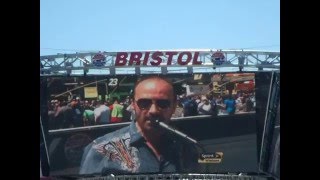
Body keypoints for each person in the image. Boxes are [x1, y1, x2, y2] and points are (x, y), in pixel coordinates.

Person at [79, 76, 199, 175]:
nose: (153, 110)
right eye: (144, 103)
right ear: (133, 105)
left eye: (162, 103)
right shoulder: (101, 148)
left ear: (173, 106)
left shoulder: (187, 147)